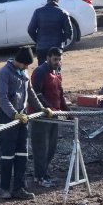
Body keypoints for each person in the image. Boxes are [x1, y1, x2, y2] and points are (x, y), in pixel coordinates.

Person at [0, 46, 53, 200]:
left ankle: (19, 188)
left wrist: (41, 107)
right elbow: (2, 98)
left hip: (23, 116)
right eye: (25, 64)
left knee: (22, 153)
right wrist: (14, 114)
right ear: (19, 61)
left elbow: (30, 91)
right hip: (8, 117)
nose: (27, 68)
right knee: (7, 154)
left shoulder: (24, 73)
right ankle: (4, 188)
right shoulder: (3, 73)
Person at [30, 48, 70, 188]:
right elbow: (36, 94)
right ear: (48, 58)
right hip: (41, 117)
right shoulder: (40, 72)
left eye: (59, 59)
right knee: (41, 148)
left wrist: (67, 112)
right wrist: (48, 109)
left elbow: (60, 94)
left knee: (51, 148)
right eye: (55, 59)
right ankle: (39, 177)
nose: (57, 62)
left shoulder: (57, 72)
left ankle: (43, 174)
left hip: (54, 116)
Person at [27, 0, 73, 64]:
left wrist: (38, 40)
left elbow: (30, 30)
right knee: (56, 69)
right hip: (57, 47)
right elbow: (69, 31)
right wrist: (61, 40)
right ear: (58, 0)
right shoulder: (63, 13)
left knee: (42, 69)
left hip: (42, 47)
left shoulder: (38, 12)